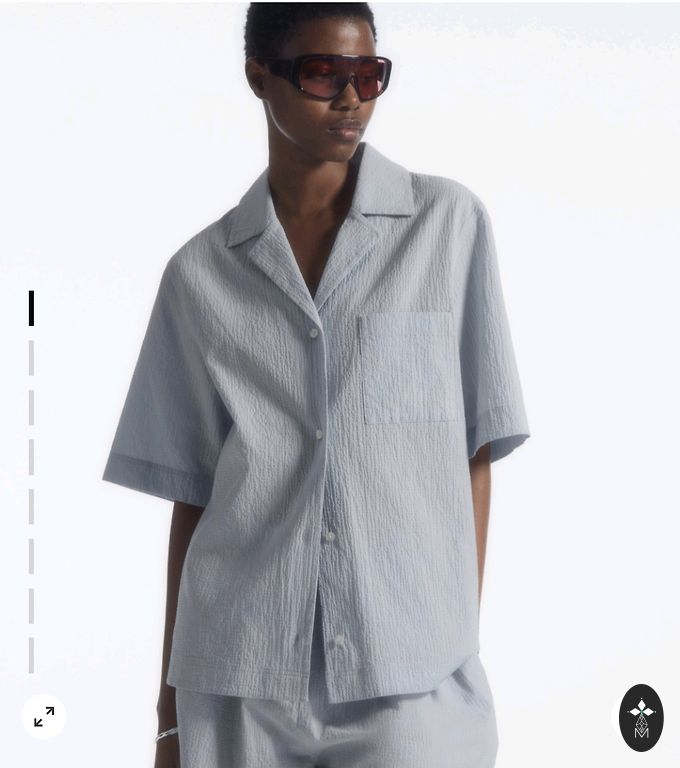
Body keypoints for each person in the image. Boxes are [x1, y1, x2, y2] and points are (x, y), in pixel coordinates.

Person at [102, 3, 530, 767]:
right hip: (239, 676)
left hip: (412, 678)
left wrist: (448, 636)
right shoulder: (200, 273)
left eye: (369, 74)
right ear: (258, 77)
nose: (352, 97)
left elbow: (477, 451)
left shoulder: (448, 226)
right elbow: (193, 499)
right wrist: (168, 716)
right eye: (324, 73)